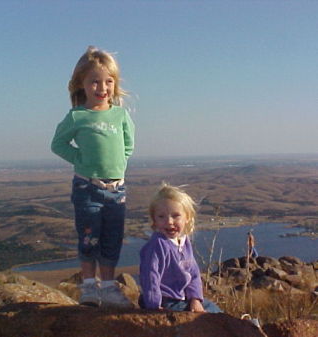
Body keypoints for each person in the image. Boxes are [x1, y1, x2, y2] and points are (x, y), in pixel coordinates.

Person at [51, 46, 135, 307]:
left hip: (116, 190)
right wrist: (82, 161)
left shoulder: (120, 114)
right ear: (81, 84)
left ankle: (108, 287)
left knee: (112, 238)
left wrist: (117, 167)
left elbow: (128, 146)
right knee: (89, 237)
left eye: (108, 81)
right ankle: (89, 287)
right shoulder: (77, 116)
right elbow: (58, 144)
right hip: (88, 188)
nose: (102, 87)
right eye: (94, 81)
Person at [139, 183, 222, 313]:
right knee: (206, 318)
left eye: (175, 215)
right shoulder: (157, 245)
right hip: (164, 300)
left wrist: (195, 299)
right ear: (154, 220)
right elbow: (150, 277)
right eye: (161, 217)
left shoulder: (184, 242)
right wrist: (154, 306)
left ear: (187, 217)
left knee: (216, 311)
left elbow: (193, 273)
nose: (169, 221)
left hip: (183, 298)